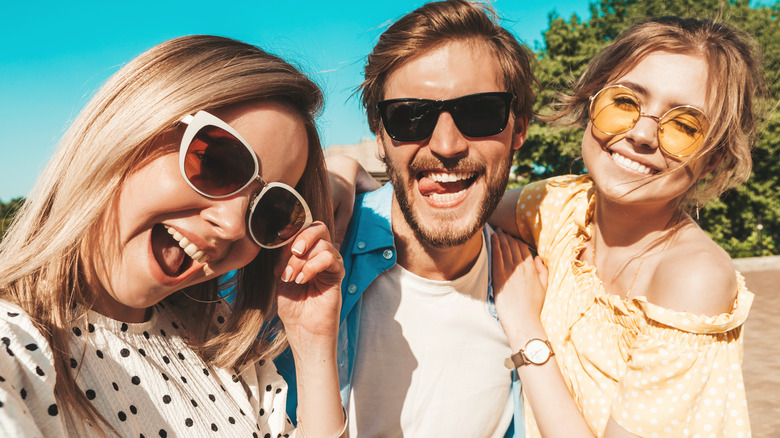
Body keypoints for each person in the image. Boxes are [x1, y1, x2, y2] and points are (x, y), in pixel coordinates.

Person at [0, 35, 347, 437]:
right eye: (218, 162)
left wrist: (312, 345)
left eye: (269, 210)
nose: (233, 225)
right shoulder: (15, 345)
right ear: (129, 128)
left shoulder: (222, 348)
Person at [489, 16, 760, 437]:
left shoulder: (692, 279)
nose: (643, 134)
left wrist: (526, 329)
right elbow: (456, 215)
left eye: (685, 126)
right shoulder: (560, 205)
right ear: (591, 101)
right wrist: (346, 181)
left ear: (714, 159)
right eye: (625, 102)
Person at [276, 1, 537, 436]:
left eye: (479, 112)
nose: (447, 144)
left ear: (519, 129)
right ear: (380, 136)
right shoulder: (299, 251)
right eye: (409, 117)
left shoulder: (541, 290)